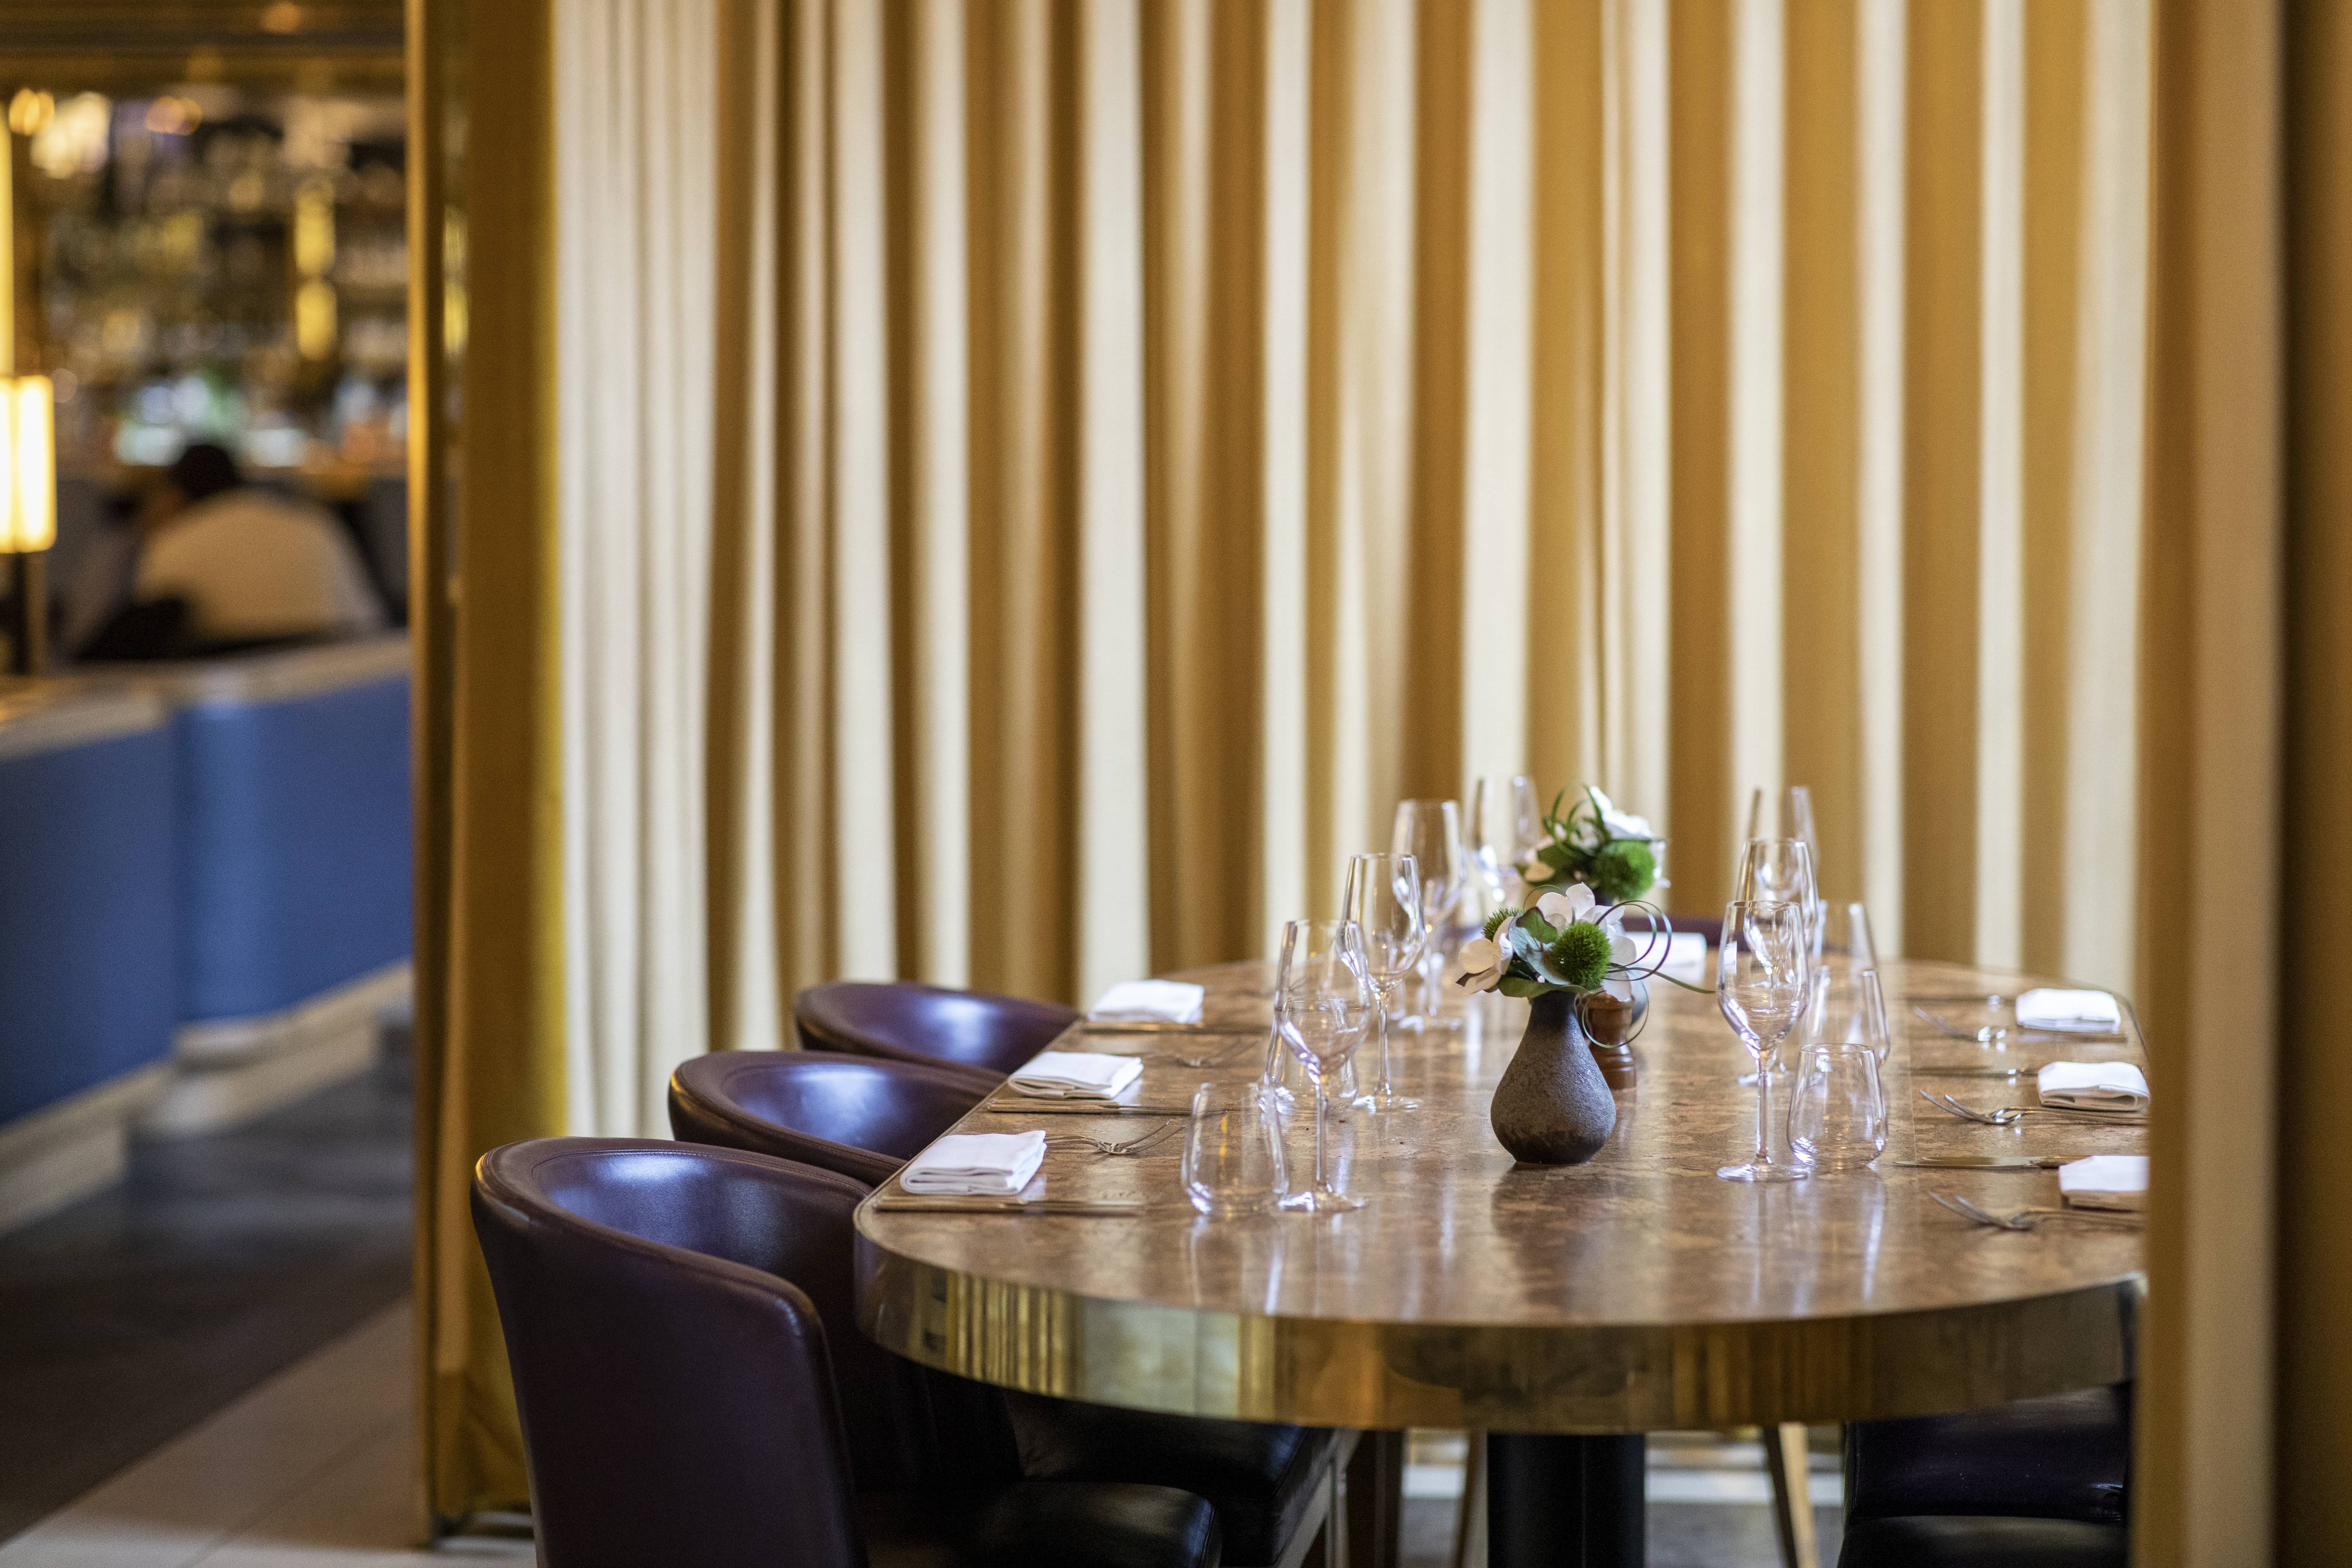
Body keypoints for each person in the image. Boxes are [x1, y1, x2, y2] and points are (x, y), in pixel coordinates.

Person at [67, 443, 386, 658]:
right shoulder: (314, 524)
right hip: (346, 691)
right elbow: (374, 624)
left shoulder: (175, 543)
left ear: (175, 495)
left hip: (234, 719)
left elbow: (133, 646)